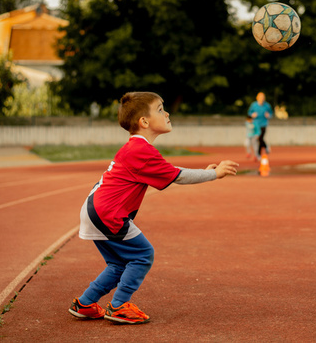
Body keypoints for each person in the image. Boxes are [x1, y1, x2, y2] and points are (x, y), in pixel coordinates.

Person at [69, 92, 238, 324]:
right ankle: (118, 306)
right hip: (108, 214)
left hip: (95, 210)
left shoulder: (135, 148)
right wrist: (213, 174)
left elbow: (167, 169)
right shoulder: (141, 150)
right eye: (160, 109)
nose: (166, 113)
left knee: (119, 263)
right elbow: (177, 176)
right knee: (143, 254)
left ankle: (86, 303)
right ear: (144, 122)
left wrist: (204, 171)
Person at [248, 92, 273, 157]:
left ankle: (258, 154)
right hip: (256, 124)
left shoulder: (267, 105)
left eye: (263, 98)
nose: (261, 99)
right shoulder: (254, 105)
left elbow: (271, 113)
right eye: (260, 98)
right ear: (257, 98)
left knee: (260, 138)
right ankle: (265, 147)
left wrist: (268, 115)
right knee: (258, 139)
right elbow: (249, 113)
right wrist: (252, 115)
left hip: (264, 124)